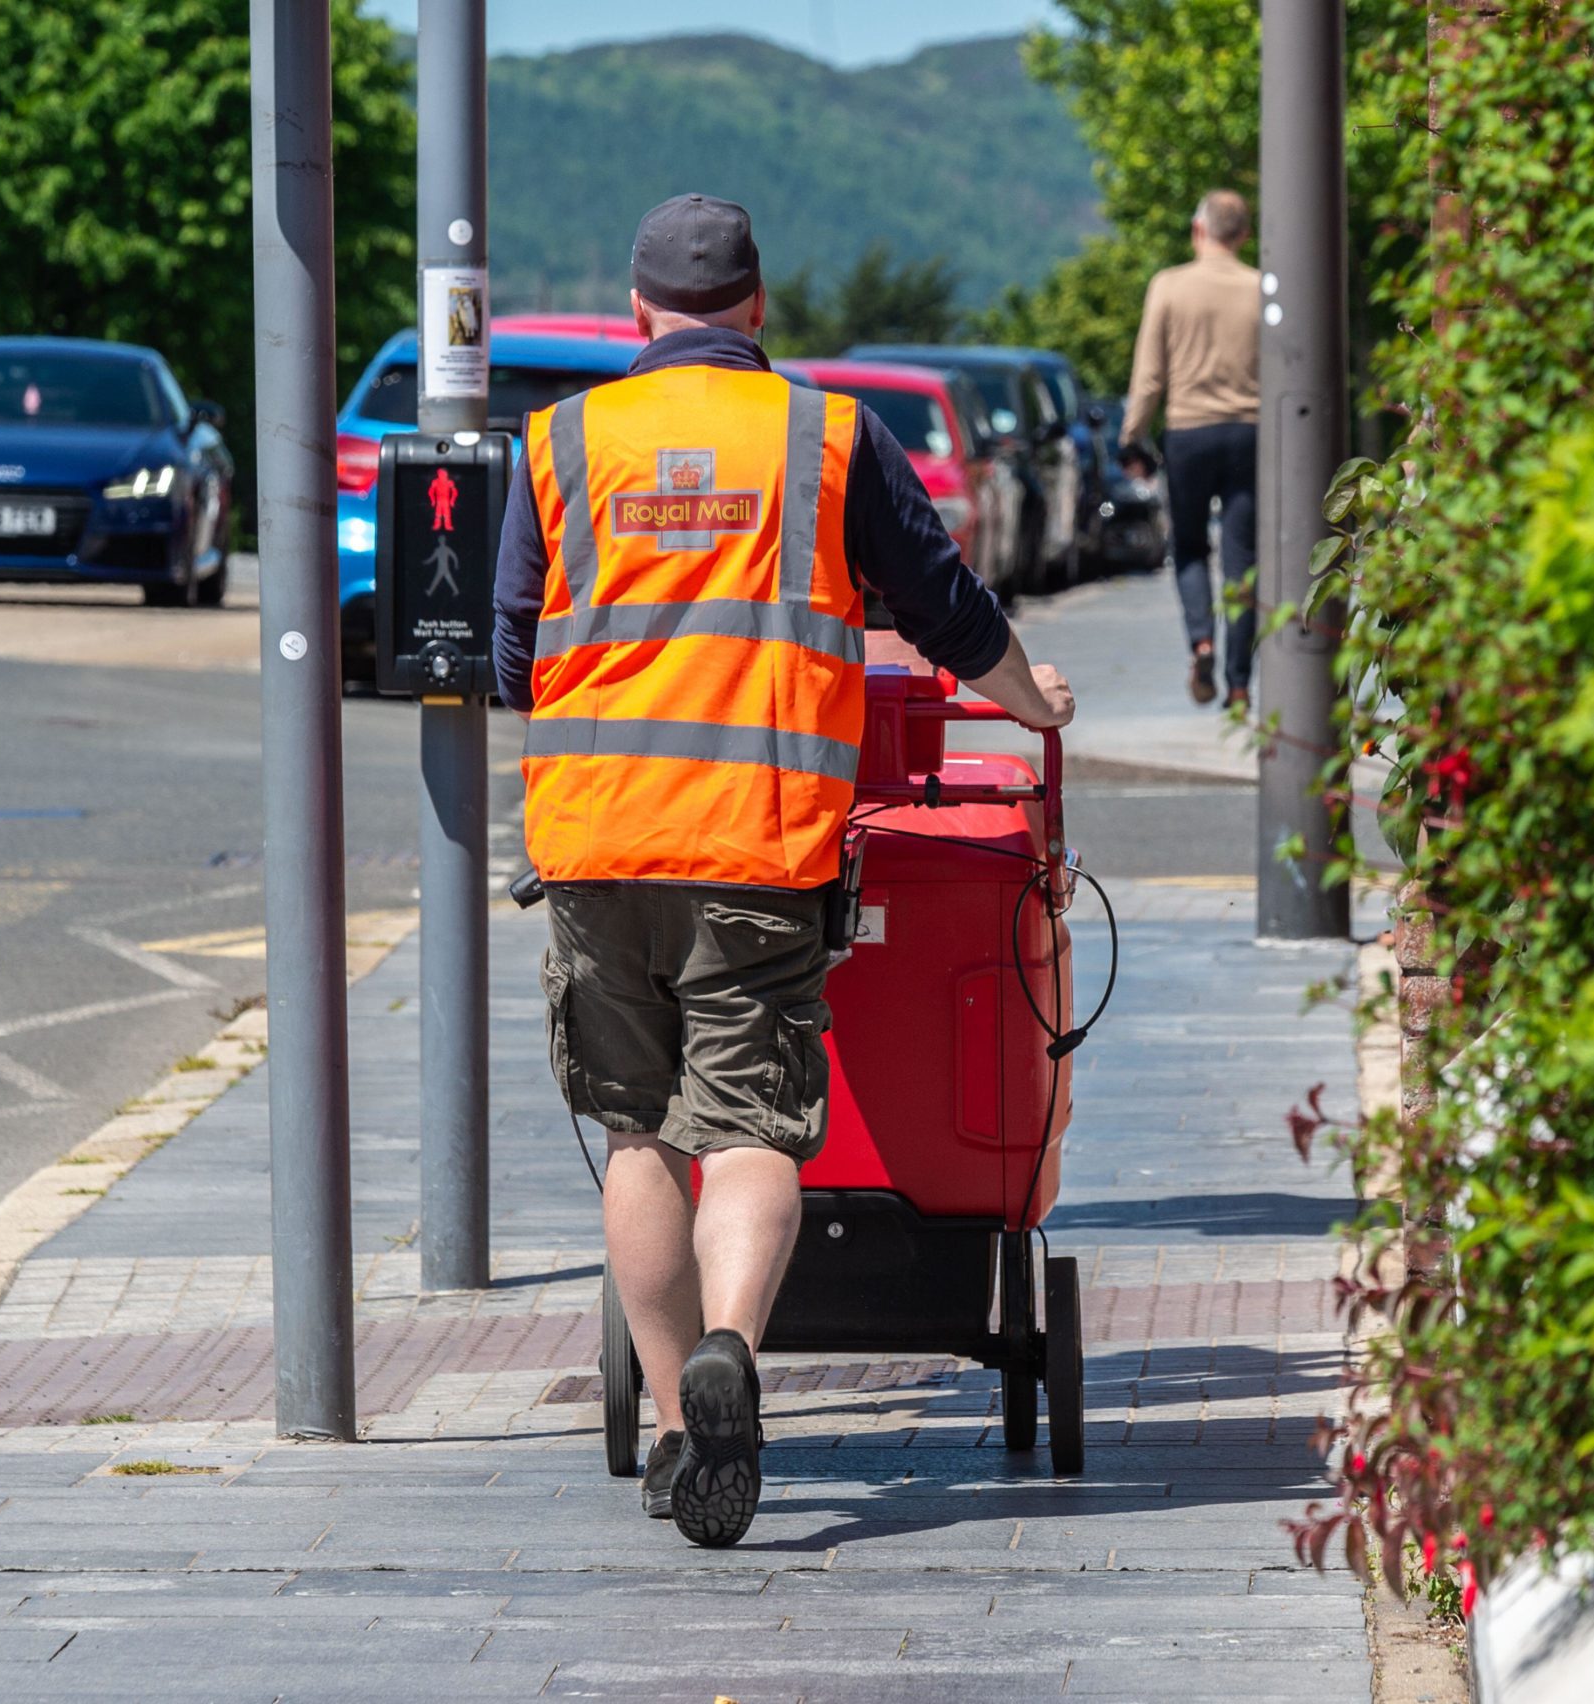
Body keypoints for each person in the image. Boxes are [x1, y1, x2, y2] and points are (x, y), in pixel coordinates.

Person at [489, 193, 1075, 1548]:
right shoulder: (826, 435)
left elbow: (518, 656)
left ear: (635, 318)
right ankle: (735, 1353)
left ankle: (684, 1428)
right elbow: (946, 607)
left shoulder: (559, 443)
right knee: (749, 1130)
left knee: (638, 1132)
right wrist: (1031, 705)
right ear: (760, 307)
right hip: (755, 842)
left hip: (595, 839)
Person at [1120, 189, 1261, 711]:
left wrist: (1132, 434)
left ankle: (1201, 640)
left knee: (1191, 547)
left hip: (1189, 433)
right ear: (1243, 235)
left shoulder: (1169, 286)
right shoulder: (1260, 288)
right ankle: (1241, 682)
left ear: (1198, 230)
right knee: (1243, 557)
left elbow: (1150, 373)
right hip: (1249, 431)